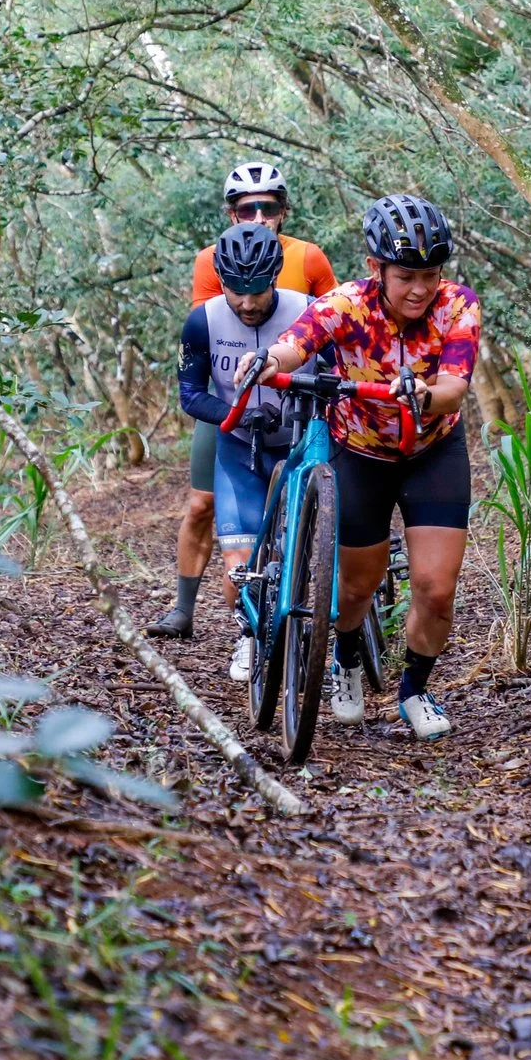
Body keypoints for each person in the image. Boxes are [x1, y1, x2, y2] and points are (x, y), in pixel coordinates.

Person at [252, 194, 478, 741]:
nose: (419, 288)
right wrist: (266, 362)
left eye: (430, 274)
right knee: (356, 587)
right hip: (360, 451)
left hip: (433, 451)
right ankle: (346, 659)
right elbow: (295, 343)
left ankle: (414, 690)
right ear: (375, 268)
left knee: (435, 587)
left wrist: (423, 395)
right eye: (406, 275)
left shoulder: (457, 305)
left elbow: (455, 386)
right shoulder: (344, 305)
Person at [152, 162, 338, 641]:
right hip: (232, 403)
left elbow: (336, 328)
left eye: (268, 206)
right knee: (202, 504)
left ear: (283, 211)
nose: (257, 215)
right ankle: (185, 607)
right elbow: (213, 344)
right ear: (231, 214)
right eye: (246, 208)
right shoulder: (210, 262)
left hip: (298, 404)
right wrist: (234, 408)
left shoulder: (310, 259)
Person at [170, 222, 312, 682]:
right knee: (239, 571)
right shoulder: (203, 321)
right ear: (222, 282)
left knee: (313, 545)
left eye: (257, 291)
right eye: (236, 291)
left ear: (276, 278)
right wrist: (234, 414)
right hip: (237, 445)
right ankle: (248, 635)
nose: (247, 304)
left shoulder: (306, 311)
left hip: (296, 442)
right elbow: (190, 394)